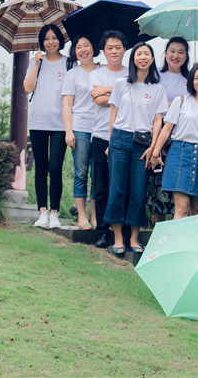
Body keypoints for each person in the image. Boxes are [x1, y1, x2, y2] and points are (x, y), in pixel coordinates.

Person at [105, 42, 168, 255]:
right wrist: (110, 142)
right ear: (133, 58)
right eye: (139, 53)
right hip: (120, 139)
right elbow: (113, 114)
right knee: (117, 189)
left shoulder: (157, 88)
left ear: (152, 59)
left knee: (139, 191)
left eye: (147, 54)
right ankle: (117, 237)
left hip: (143, 143)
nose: (143, 57)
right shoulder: (121, 83)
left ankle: (133, 238)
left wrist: (153, 147)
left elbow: (158, 120)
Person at [151, 63, 198, 219]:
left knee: (197, 209)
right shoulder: (181, 101)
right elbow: (167, 129)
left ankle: (193, 237)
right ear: (191, 82)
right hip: (179, 154)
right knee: (182, 207)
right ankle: (177, 236)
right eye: (197, 78)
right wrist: (155, 153)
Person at [23, 24, 68, 229]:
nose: (51, 42)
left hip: (60, 123)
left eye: (54, 38)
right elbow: (28, 88)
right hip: (38, 121)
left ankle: (54, 213)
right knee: (40, 168)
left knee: (55, 168)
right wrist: (36, 64)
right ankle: (42, 212)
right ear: (42, 41)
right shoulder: (35, 62)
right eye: (47, 38)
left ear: (60, 40)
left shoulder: (69, 64)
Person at [88, 31, 128, 249]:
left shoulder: (131, 72)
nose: (114, 51)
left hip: (125, 135)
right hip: (101, 135)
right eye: (110, 48)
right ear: (103, 51)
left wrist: (108, 91)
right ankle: (103, 231)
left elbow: (133, 97)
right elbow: (98, 100)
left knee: (122, 186)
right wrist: (123, 90)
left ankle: (124, 231)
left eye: (118, 47)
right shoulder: (96, 74)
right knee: (101, 186)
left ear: (124, 49)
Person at [146, 37, 189, 225]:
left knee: (178, 190)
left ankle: (176, 233)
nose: (176, 56)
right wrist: (174, 104)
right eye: (172, 51)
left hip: (179, 139)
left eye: (181, 52)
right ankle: (157, 232)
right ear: (165, 53)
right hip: (156, 135)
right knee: (158, 189)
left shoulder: (191, 79)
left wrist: (170, 105)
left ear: (186, 56)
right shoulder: (155, 75)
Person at [61, 35, 101, 230]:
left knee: (98, 174)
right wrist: (69, 131)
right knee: (81, 172)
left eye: (86, 45)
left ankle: (95, 216)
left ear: (94, 48)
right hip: (80, 127)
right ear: (74, 52)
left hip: (101, 128)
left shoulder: (103, 71)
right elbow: (67, 105)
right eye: (78, 47)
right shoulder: (72, 75)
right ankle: (82, 216)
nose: (83, 50)